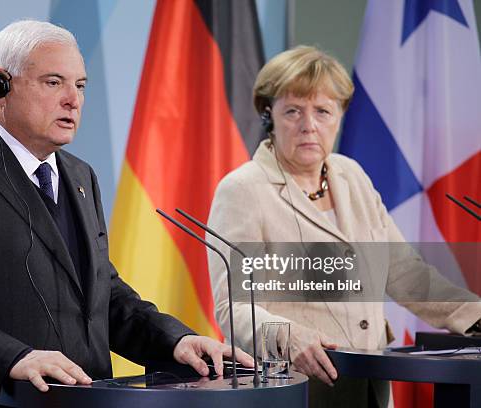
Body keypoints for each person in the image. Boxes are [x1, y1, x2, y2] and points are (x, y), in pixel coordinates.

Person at [0, 20, 252, 406]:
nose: (73, 99)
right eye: (54, 83)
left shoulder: (79, 176)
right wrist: (13, 357)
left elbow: (101, 295)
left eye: (81, 85)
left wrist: (177, 340)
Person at [206, 45, 481, 407]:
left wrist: (474, 317)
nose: (309, 125)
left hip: (371, 383)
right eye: (293, 111)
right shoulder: (243, 190)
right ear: (268, 115)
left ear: (339, 115)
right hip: (298, 386)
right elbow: (235, 308)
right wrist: (289, 337)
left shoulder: (352, 177)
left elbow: (408, 275)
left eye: (322, 111)